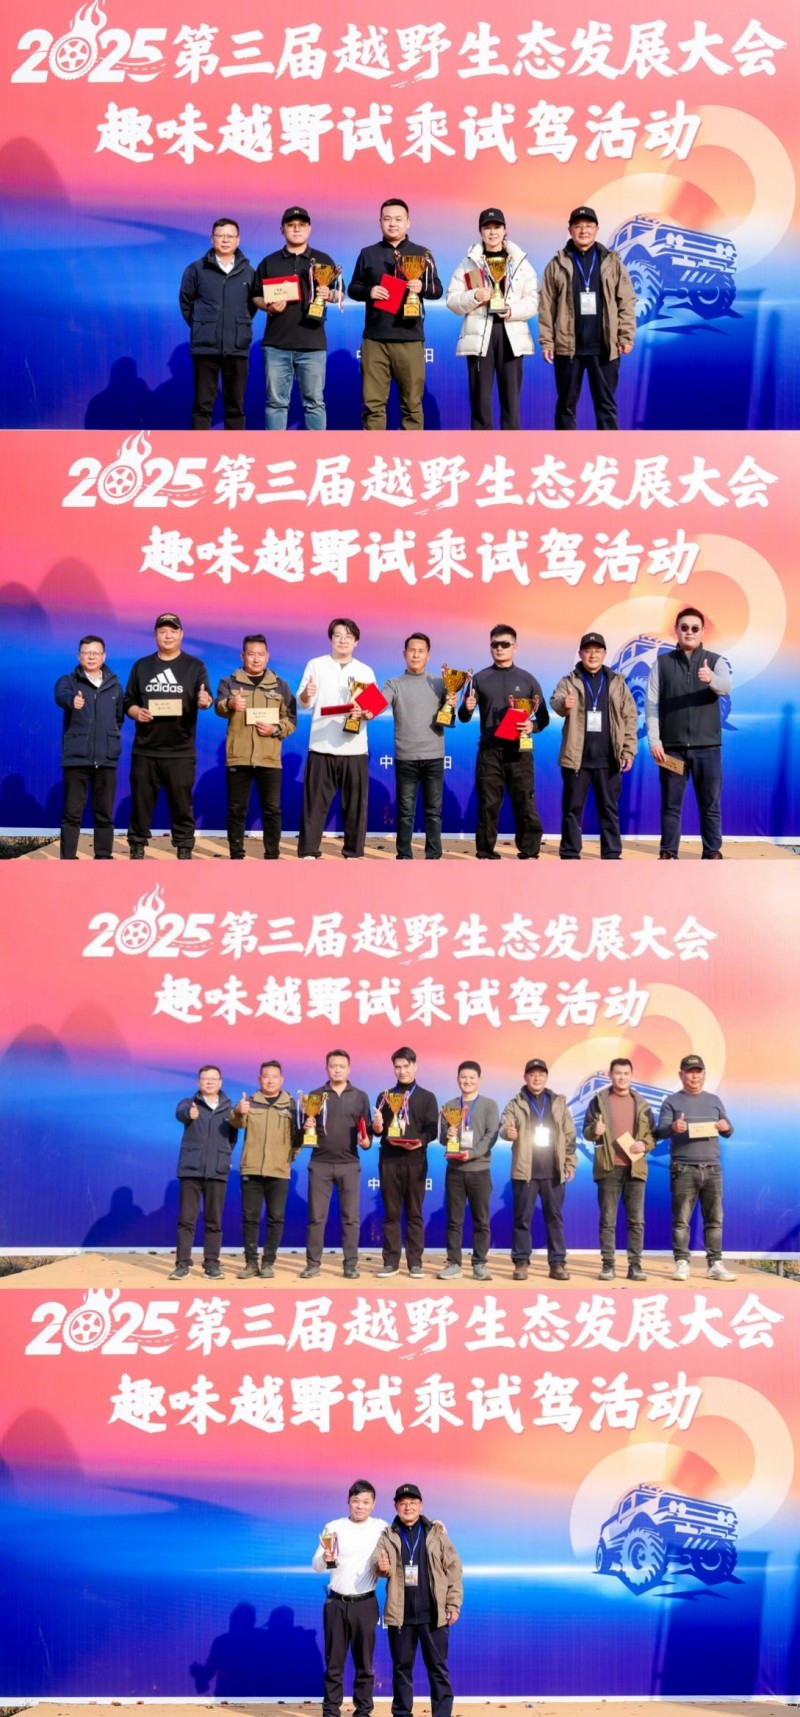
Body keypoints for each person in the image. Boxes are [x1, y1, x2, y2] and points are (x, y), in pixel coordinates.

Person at [538, 205, 636, 430]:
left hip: (604, 348)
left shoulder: (612, 262)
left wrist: (626, 336)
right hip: (568, 348)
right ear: (570, 230)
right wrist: (547, 341)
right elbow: (546, 306)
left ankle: (608, 450)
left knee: (606, 406)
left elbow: (627, 301)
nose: (584, 230)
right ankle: (565, 449)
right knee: (565, 406)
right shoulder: (557, 264)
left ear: (597, 229)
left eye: (589, 226)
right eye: (578, 226)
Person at [348, 200, 443, 430]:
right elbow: (352, 288)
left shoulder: (422, 254)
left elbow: (437, 289)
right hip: (375, 339)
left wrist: (422, 287)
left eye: (398, 219)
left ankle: (410, 451)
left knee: (412, 405)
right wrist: (369, 291)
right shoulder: (367, 253)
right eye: (387, 219)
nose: (393, 224)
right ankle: (374, 451)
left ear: (408, 222)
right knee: (373, 406)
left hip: (409, 338)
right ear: (380, 222)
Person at [646, 607, 732, 860]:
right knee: (670, 805)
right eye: (684, 627)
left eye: (695, 628)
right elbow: (651, 704)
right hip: (672, 750)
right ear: (676, 630)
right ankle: (668, 851)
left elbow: (726, 688)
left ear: (702, 631)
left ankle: (712, 851)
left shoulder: (714, 661)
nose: (689, 632)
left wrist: (711, 679)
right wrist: (655, 740)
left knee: (710, 804)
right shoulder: (662, 664)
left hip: (708, 748)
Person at [124, 613, 213, 858]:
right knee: (140, 803)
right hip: (146, 749)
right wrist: (136, 712)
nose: (168, 636)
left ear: (181, 634)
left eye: (173, 631)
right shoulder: (142, 666)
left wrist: (205, 701)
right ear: (155, 635)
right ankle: (137, 845)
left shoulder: (195, 666)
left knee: (182, 804)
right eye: (162, 631)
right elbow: (128, 700)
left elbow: (206, 698)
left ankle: (184, 847)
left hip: (180, 750)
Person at [459, 624, 549, 859]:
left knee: (525, 803)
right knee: (488, 805)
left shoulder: (527, 680)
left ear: (515, 647)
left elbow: (543, 717)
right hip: (489, 752)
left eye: (505, 644)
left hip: (520, 753)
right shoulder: (479, 679)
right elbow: (463, 717)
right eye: (495, 644)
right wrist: (466, 707)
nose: (499, 648)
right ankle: (485, 852)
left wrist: (532, 726)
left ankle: (529, 851)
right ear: (490, 647)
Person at [373, 1484, 462, 1717]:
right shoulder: (387, 1535)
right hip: (400, 1617)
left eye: (412, 1503)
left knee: (438, 1670)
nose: (408, 1507)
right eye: (403, 1503)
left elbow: (454, 1569)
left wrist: (453, 1604)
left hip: (433, 1615)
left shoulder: (437, 1532)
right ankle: (402, 1713)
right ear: (396, 1506)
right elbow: (376, 1565)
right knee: (401, 1670)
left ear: (421, 1505)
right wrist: (380, 1567)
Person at [446, 208, 539, 430]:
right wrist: (474, 296)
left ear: (505, 230)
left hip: (510, 334)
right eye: (487, 228)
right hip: (479, 335)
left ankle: (511, 447)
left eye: (497, 227)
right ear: (480, 231)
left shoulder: (519, 262)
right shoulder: (469, 263)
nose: (492, 232)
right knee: (480, 402)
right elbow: (452, 300)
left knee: (511, 402)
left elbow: (533, 300)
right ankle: (481, 447)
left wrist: (512, 310)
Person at [549, 630, 637, 859]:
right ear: (580, 654)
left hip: (609, 759)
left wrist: (628, 750)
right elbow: (555, 702)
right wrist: (564, 704)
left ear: (604, 653)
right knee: (572, 810)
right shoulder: (569, 680)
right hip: (576, 759)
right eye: (588, 651)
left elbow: (630, 716)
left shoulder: (617, 682)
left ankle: (611, 853)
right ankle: (570, 853)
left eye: (597, 651)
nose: (593, 655)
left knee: (609, 809)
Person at [297, 618, 377, 860]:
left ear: (356, 642)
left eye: (348, 636)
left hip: (355, 749)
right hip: (321, 746)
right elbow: (303, 703)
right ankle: (309, 851)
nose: (343, 640)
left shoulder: (365, 670)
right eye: (338, 635)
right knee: (314, 805)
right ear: (331, 638)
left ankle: (353, 853)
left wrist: (365, 713)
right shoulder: (315, 665)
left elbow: (372, 710)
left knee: (355, 807)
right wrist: (306, 694)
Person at [253, 206, 338, 430]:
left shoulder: (323, 259)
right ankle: (275, 450)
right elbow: (255, 296)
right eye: (291, 225)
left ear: (309, 228)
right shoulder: (269, 262)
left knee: (314, 404)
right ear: (282, 229)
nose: (297, 229)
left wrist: (329, 294)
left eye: (302, 225)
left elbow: (340, 294)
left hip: (312, 344)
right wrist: (268, 307)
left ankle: (316, 450)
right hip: (276, 345)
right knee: (276, 404)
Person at [655, 1054, 737, 1281]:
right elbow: (659, 1131)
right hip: (683, 1168)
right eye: (689, 1072)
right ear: (681, 1075)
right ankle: (682, 1263)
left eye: (698, 1072)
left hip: (712, 1168)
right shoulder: (671, 1101)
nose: (694, 1076)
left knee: (715, 1220)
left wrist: (725, 1126)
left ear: (704, 1075)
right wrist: (674, 1127)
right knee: (681, 1220)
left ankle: (715, 1264)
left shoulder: (714, 1100)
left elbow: (729, 1131)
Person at [215, 634, 296, 859]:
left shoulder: (280, 685)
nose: (256, 659)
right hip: (238, 757)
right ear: (243, 656)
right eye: (251, 654)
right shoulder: (229, 682)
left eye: (261, 654)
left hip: (269, 759)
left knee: (272, 810)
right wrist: (231, 703)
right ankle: (236, 855)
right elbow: (219, 707)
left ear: (267, 656)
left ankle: (272, 856)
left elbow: (291, 719)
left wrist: (275, 730)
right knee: (236, 810)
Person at [313, 1480, 389, 1717]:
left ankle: (363, 1711)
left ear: (373, 1504)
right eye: (356, 1501)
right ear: (348, 1501)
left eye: (366, 1502)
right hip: (335, 1604)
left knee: (364, 1663)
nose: (360, 1506)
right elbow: (316, 1565)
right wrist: (325, 1558)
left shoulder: (382, 1528)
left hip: (365, 1604)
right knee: (334, 1663)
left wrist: (435, 1524)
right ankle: (330, 1711)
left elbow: (410, 1525)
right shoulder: (334, 1527)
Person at [501, 1058, 577, 1281]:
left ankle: (557, 1264)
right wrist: (508, 1133)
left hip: (553, 1171)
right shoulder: (515, 1103)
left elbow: (570, 1135)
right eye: (532, 1074)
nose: (536, 1078)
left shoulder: (558, 1102)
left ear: (546, 1077)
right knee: (522, 1219)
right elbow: (504, 1126)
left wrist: (570, 1163)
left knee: (555, 1219)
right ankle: (521, 1263)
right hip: (525, 1171)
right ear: (525, 1077)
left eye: (541, 1074)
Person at [300, 1050, 373, 1280]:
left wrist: (367, 1142)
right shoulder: (315, 1096)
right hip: (320, 1163)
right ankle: (313, 1264)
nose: (337, 1070)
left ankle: (350, 1265)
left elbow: (367, 1132)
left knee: (350, 1218)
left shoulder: (360, 1096)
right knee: (316, 1218)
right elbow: (302, 1131)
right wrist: (306, 1125)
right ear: (327, 1068)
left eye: (342, 1066)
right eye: (333, 1066)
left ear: (349, 1069)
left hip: (349, 1164)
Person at [582, 1058, 656, 1281]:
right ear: (610, 1075)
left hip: (635, 1168)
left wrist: (644, 1144)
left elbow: (652, 1136)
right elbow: (586, 1131)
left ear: (631, 1076)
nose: (622, 1077)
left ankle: (635, 1266)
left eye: (626, 1073)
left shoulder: (642, 1103)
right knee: (608, 1220)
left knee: (636, 1220)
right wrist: (594, 1130)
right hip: (608, 1167)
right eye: (618, 1073)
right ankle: (608, 1265)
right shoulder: (598, 1100)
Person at [179, 217, 256, 430]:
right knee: (203, 404)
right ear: (212, 238)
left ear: (238, 240)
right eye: (220, 235)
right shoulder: (196, 269)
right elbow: (186, 303)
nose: (225, 240)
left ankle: (234, 448)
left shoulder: (249, 272)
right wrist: (202, 326)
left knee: (236, 405)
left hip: (237, 346)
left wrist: (237, 326)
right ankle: (199, 447)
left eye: (230, 236)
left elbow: (251, 307)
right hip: (205, 346)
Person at [371, 1046, 440, 1279]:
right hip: (389, 1161)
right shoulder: (384, 1096)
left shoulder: (427, 1097)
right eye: (397, 1067)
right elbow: (378, 1131)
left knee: (414, 1213)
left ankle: (415, 1263)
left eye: (406, 1066)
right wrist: (377, 1125)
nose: (402, 1071)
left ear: (415, 1066)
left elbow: (433, 1130)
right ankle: (390, 1262)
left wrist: (419, 1142)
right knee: (391, 1213)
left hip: (415, 1161)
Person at [54, 635, 124, 859]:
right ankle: (68, 859)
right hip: (77, 758)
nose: (91, 657)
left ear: (104, 656)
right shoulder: (69, 681)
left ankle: (103, 857)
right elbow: (61, 696)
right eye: (87, 652)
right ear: (79, 656)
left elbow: (118, 718)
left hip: (106, 758)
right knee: (72, 813)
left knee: (104, 813)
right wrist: (72, 702)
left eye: (96, 653)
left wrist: (108, 738)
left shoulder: (115, 685)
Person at [382, 635, 451, 860]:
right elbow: (378, 704)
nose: (416, 655)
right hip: (406, 757)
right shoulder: (393, 683)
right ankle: (404, 856)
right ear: (404, 654)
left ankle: (434, 856)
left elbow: (449, 718)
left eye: (421, 651)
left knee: (433, 812)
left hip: (434, 756)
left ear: (428, 656)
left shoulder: (441, 683)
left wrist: (452, 703)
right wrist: (362, 704)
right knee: (405, 812)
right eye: (412, 650)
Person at [229, 1062, 300, 1278]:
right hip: (252, 1169)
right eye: (266, 1076)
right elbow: (236, 1124)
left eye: (274, 1076)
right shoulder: (249, 1102)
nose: (270, 1080)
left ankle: (268, 1262)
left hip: (279, 1170)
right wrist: (237, 1112)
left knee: (275, 1217)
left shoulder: (292, 1105)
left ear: (282, 1079)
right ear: (259, 1079)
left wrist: (288, 1157)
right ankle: (251, 1263)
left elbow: (298, 1137)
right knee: (250, 1217)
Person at [169, 1065, 237, 1279]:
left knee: (214, 1221)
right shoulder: (189, 1103)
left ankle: (212, 1263)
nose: (209, 1082)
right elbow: (180, 1113)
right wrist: (188, 1114)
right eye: (205, 1078)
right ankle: (182, 1264)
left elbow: (232, 1139)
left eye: (213, 1078)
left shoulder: (230, 1108)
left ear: (220, 1082)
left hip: (217, 1171)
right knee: (186, 1220)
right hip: (191, 1170)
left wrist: (222, 1156)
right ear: (198, 1082)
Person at [437, 1060, 499, 1282]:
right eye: (463, 1077)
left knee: (481, 1221)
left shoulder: (489, 1105)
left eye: (472, 1077)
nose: (467, 1081)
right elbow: (441, 1138)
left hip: (479, 1171)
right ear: (457, 1080)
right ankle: (454, 1263)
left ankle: (479, 1264)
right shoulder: (449, 1106)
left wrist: (471, 1154)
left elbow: (491, 1136)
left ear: (479, 1080)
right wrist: (448, 1135)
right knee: (454, 1220)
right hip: (455, 1171)